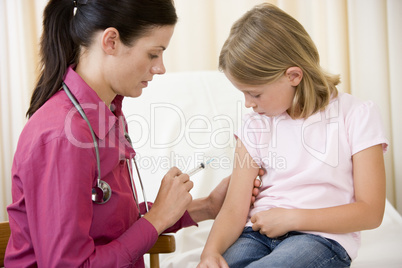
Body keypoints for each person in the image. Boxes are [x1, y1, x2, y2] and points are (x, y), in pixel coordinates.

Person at [5, 0, 263, 267]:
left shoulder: (108, 112)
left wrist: (206, 206)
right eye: (153, 53)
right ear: (111, 41)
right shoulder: (62, 136)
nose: (160, 67)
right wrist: (158, 217)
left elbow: (113, 229)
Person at [198, 3, 388, 268]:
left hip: (322, 239)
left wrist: (292, 219)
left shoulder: (355, 115)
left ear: (293, 76)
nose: (248, 103)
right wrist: (210, 253)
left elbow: (371, 212)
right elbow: (233, 208)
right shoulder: (255, 124)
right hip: (255, 235)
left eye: (255, 93)